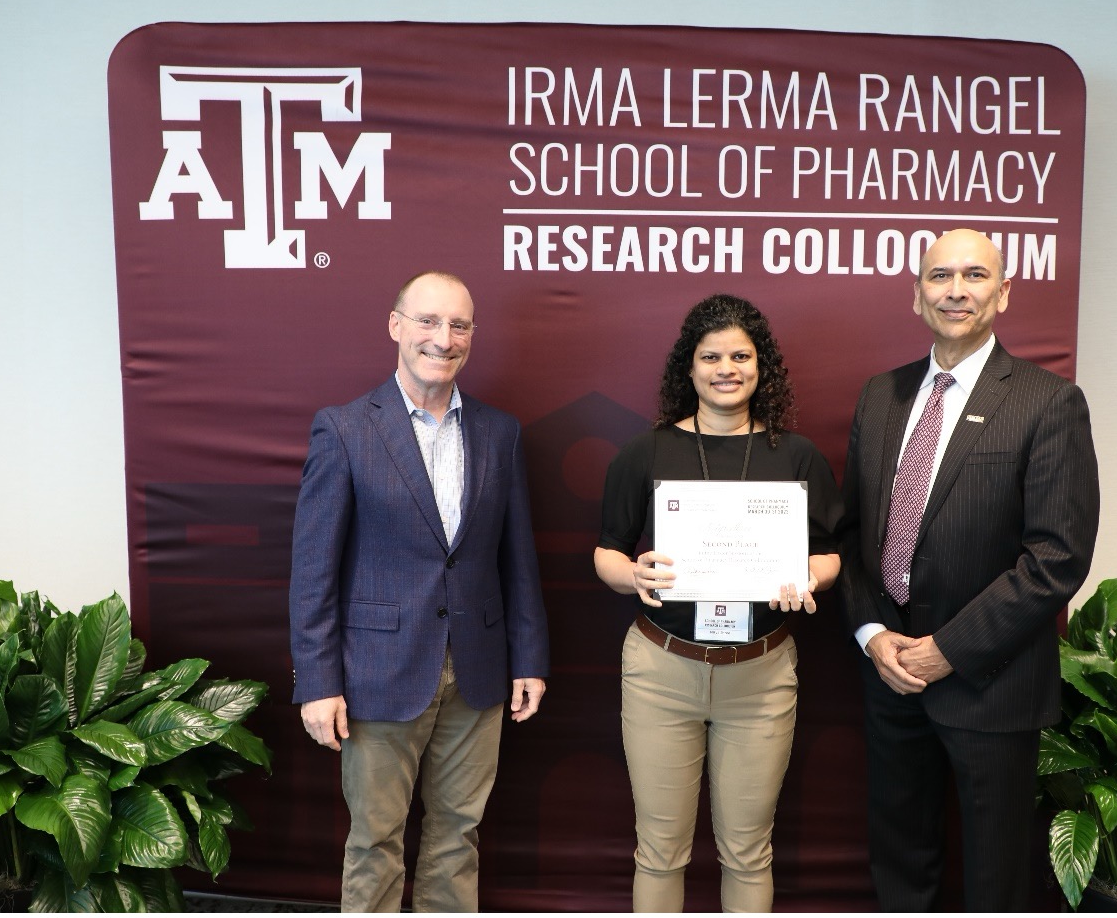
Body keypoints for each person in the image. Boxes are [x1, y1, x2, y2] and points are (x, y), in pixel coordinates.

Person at [839, 228, 1100, 911]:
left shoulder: (1048, 402)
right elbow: (853, 535)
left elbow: (1056, 559)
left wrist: (946, 651)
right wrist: (873, 632)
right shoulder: (879, 396)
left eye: (976, 275)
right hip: (891, 670)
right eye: (940, 276)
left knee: (996, 872)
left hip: (991, 679)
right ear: (916, 295)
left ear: (1003, 292)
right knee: (900, 858)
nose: (957, 289)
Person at [288, 270, 550, 913]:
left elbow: (518, 559)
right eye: (428, 321)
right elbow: (313, 569)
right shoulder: (345, 428)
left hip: (480, 673)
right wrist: (318, 681)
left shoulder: (500, 432)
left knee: (458, 836)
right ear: (396, 325)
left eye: (459, 325)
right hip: (377, 674)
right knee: (375, 840)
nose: (444, 338)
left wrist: (531, 659)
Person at [594, 293, 842, 912]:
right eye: (711, 356)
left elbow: (831, 554)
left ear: (762, 367)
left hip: (759, 675)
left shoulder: (798, 455)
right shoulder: (646, 451)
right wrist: (635, 574)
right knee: (658, 847)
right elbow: (607, 553)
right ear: (690, 367)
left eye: (740, 355)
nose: (725, 368)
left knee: (749, 849)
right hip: (660, 671)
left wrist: (808, 577)